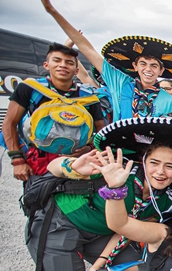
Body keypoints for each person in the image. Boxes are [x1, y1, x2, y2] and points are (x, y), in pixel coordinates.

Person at [31, 143, 172, 271]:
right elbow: (53, 167)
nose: (160, 171)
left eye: (169, 166)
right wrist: (72, 166)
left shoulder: (166, 202)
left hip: (103, 234)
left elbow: (127, 230)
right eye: (154, 163)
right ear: (144, 162)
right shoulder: (116, 169)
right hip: (60, 225)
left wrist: (101, 262)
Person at [35, 0, 172, 122]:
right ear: (135, 66)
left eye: (154, 66)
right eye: (143, 64)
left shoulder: (169, 101)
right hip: (118, 147)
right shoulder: (120, 83)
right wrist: (52, 11)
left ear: (161, 70)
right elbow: (87, 48)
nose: (148, 69)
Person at [2, 42, 105, 180]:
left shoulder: (89, 97)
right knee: (40, 197)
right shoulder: (30, 89)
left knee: (75, 198)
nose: (63, 65)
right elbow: (9, 123)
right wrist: (17, 160)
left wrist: (90, 148)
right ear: (46, 65)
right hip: (39, 161)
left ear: (76, 70)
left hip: (78, 161)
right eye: (57, 60)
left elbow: (101, 131)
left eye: (69, 62)